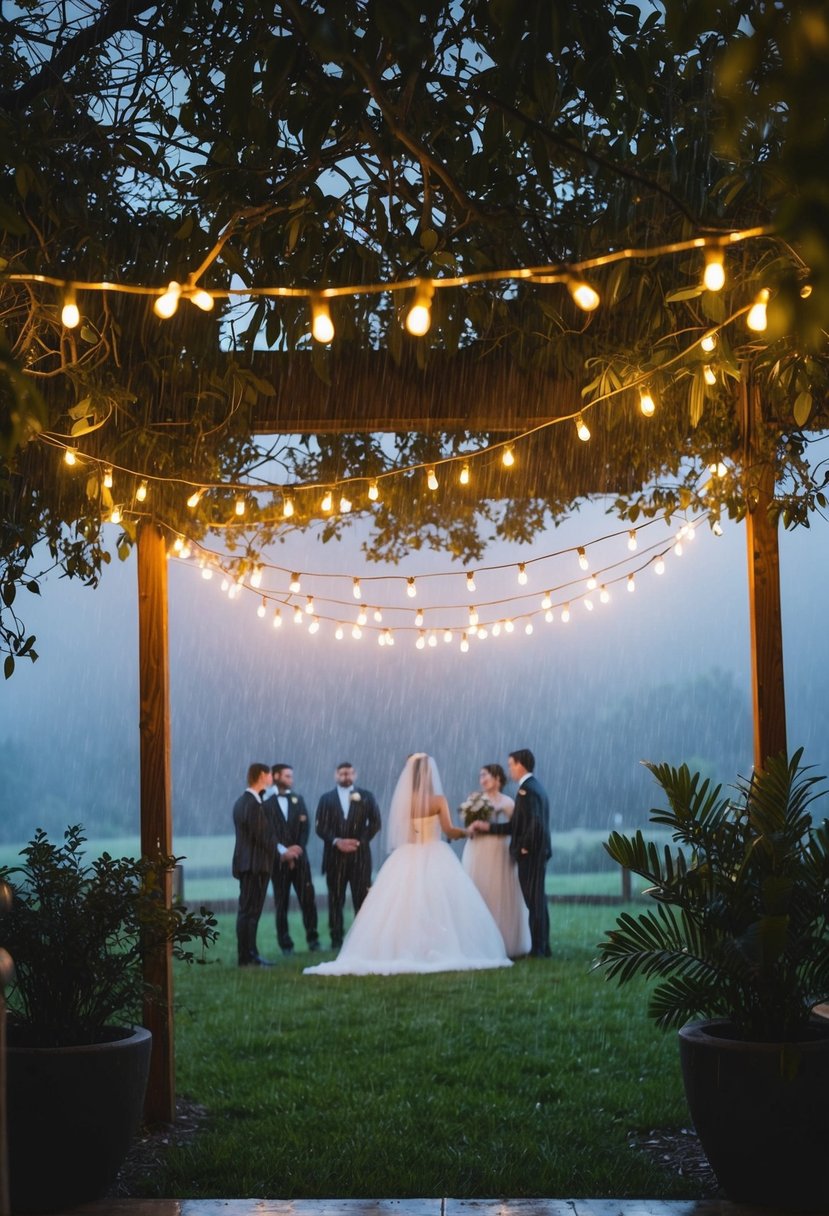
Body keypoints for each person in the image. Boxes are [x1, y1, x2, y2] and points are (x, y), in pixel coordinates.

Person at [304, 753, 512, 976]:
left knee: (403, 903)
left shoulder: (405, 800)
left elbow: (402, 831)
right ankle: (436, 946)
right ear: (430, 773)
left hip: (407, 856)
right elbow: (449, 830)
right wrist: (466, 831)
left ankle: (402, 946)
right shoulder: (438, 800)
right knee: (438, 902)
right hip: (434, 852)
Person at [470, 748, 552, 957]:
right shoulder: (534, 787)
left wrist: (524, 845)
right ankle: (543, 946)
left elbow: (536, 822)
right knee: (537, 901)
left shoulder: (528, 790)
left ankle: (539, 949)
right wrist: (487, 827)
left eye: (511, 765)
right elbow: (514, 826)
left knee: (534, 902)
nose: (509, 770)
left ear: (520, 765)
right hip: (537, 853)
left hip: (531, 854)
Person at [462, 763, 531, 958]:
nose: (482, 779)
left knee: (499, 891)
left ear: (498, 779)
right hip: (477, 850)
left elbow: (517, 826)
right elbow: (469, 825)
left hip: (498, 850)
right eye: (480, 776)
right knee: (478, 890)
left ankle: (506, 941)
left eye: (486, 775)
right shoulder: (475, 800)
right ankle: (478, 940)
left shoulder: (507, 802)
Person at [315, 762, 381, 949]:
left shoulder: (366, 796)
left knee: (362, 898)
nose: (346, 777)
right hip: (335, 858)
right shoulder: (326, 799)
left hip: (360, 857)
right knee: (335, 899)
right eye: (342, 774)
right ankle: (336, 939)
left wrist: (359, 841)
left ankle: (363, 939)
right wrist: (337, 841)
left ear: (355, 774)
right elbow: (320, 827)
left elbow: (376, 823)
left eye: (349, 773)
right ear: (336, 775)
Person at [231, 762, 288, 966]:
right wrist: (283, 851)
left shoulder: (245, 802)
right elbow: (263, 835)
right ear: (263, 775)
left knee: (248, 911)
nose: (272, 778)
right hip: (254, 865)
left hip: (250, 864)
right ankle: (247, 956)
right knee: (250, 912)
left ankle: (249, 954)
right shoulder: (251, 804)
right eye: (270, 774)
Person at [266, 763, 320, 955]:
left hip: (300, 861)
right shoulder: (266, 803)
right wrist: (282, 851)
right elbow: (267, 832)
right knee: (281, 904)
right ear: (276, 776)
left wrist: (297, 849)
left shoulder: (299, 799)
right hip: (278, 862)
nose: (291, 780)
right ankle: (285, 945)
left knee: (308, 900)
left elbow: (305, 828)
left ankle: (313, 940)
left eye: (291, 776)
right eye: (288, 776)